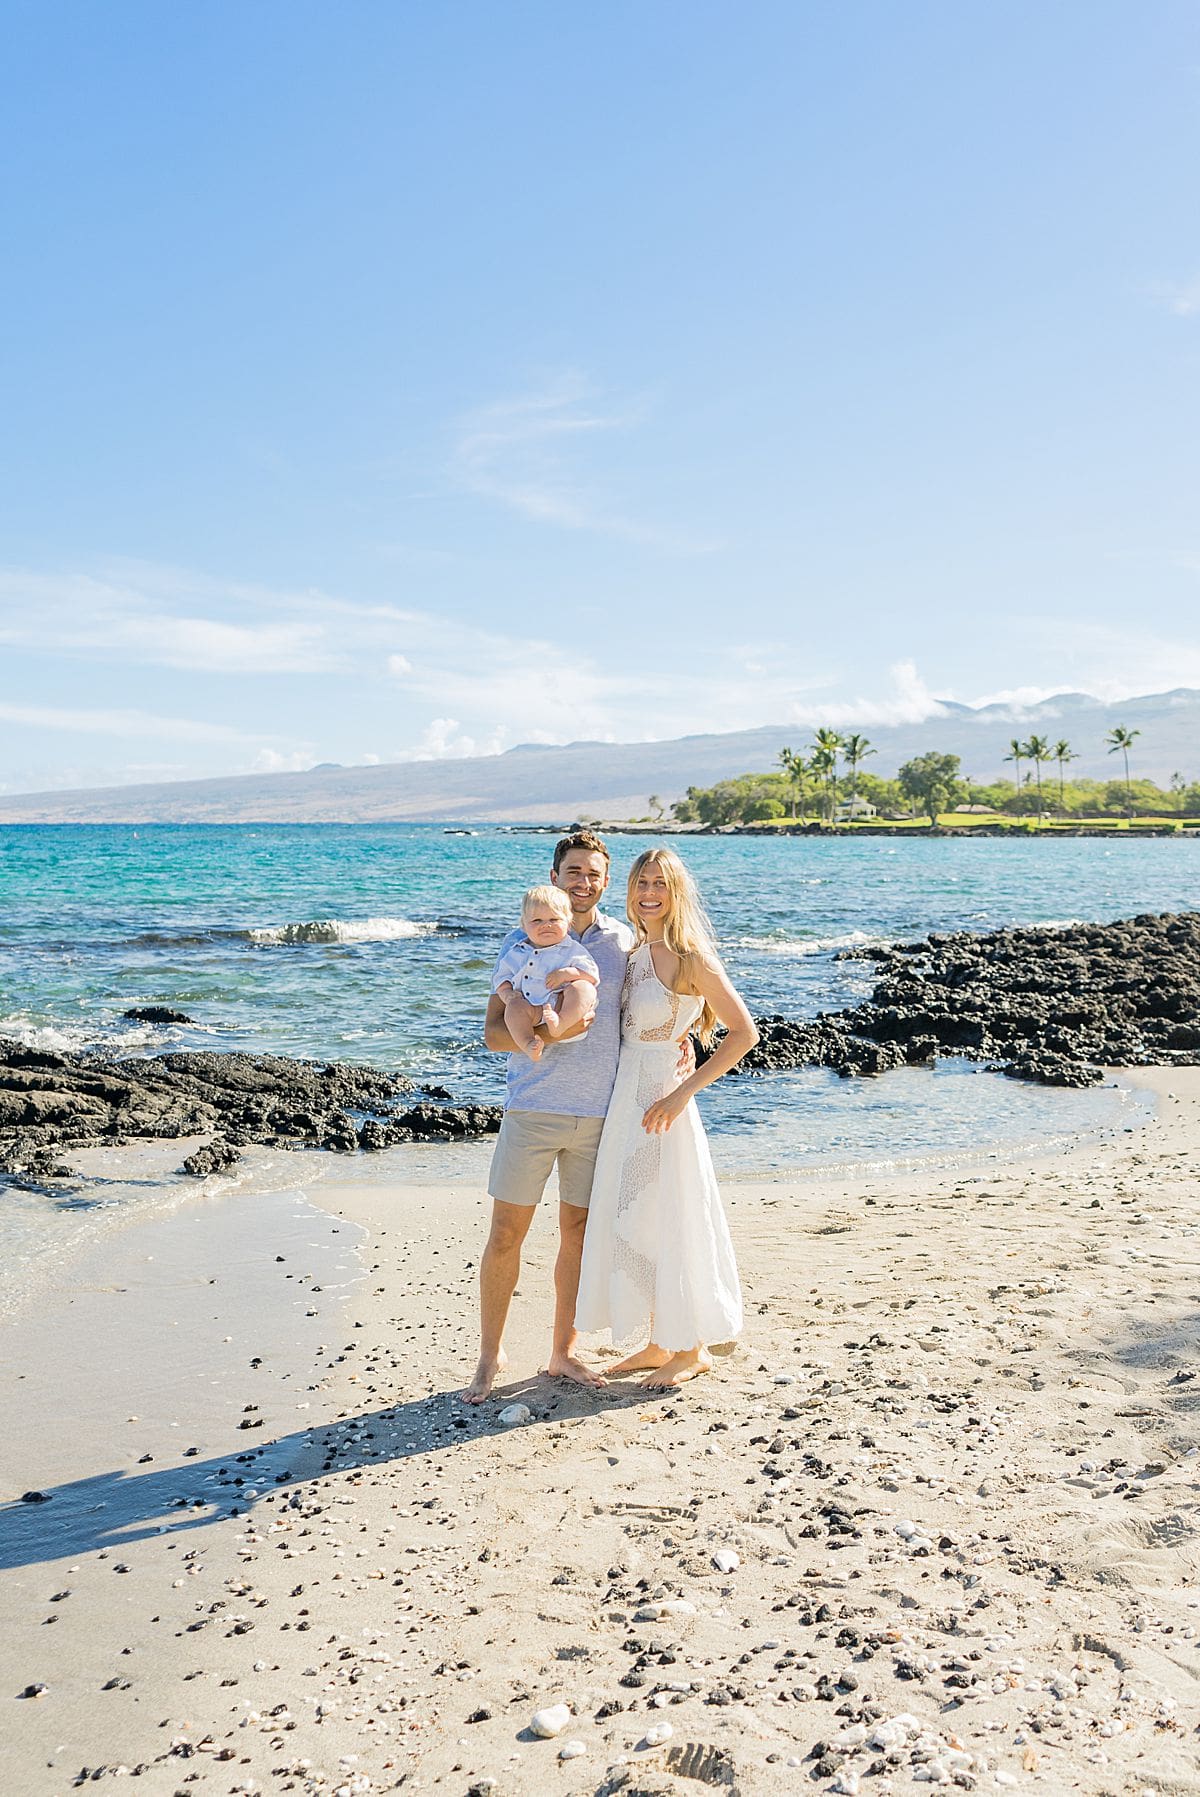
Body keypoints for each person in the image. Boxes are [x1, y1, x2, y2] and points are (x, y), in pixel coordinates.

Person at [460, 831, 636, 1405]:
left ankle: (563, 1351)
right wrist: (539, 1030)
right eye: (573, 871)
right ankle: (490, 1355)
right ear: (555, 876)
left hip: (598, 1115)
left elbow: (659, 1004)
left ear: (606, 881)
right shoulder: (520, 943)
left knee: (577, 1236)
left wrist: (686, 1041)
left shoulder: (623, 943)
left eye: (594, 873)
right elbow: (490, 1034)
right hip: (532, 1109)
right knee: (506, 1234)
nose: (583, 881)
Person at [575, 846, 758, 1387]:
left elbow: (743, 1035)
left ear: (676, 893)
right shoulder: (634, 951)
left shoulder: (691, 957)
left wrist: (682, 1094)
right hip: (625, 1099)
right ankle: (659, 1340)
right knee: (634, 1215)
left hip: (664, 1105)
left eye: (659, 884)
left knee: (672, 1215)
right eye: (640, 883)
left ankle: (691, 1348)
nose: (648, 893)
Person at [491, 885, 600, 1062]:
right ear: (524, 925)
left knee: (584, 988)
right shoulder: (518, 951)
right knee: (514, 1008)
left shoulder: (572, 950)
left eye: (554, 919)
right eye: (537, 921)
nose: (546, 925)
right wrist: (508, 995)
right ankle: (528, 1044)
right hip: (531, 1010)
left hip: (562, 1006)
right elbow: (501, 978)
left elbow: (592, 975)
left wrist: (566, 974)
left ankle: (560, 1024)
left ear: (568, 922)